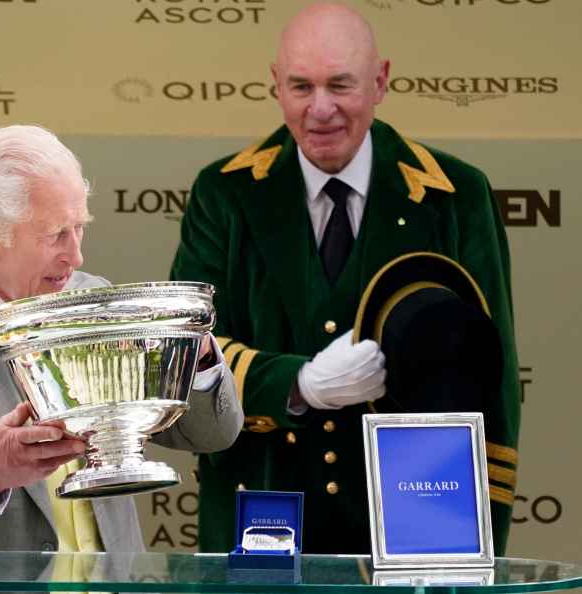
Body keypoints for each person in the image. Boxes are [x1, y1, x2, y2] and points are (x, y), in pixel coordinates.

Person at [170, 1, 520, 555]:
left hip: (414, 519)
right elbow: (188, 353)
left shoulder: (456, 196)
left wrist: (476, 549)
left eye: (340, 85)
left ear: (380, 81)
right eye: (301, 87)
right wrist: (299, 383)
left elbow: (489, 387)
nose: (321, 109)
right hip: (262, 511)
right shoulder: (225, 194)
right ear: (275, 86)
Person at [0, 124, 243, 554]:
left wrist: (198, 356)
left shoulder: (92, 299)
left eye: (80, 228)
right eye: (56, 234)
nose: (75, 256)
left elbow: (210, 436)